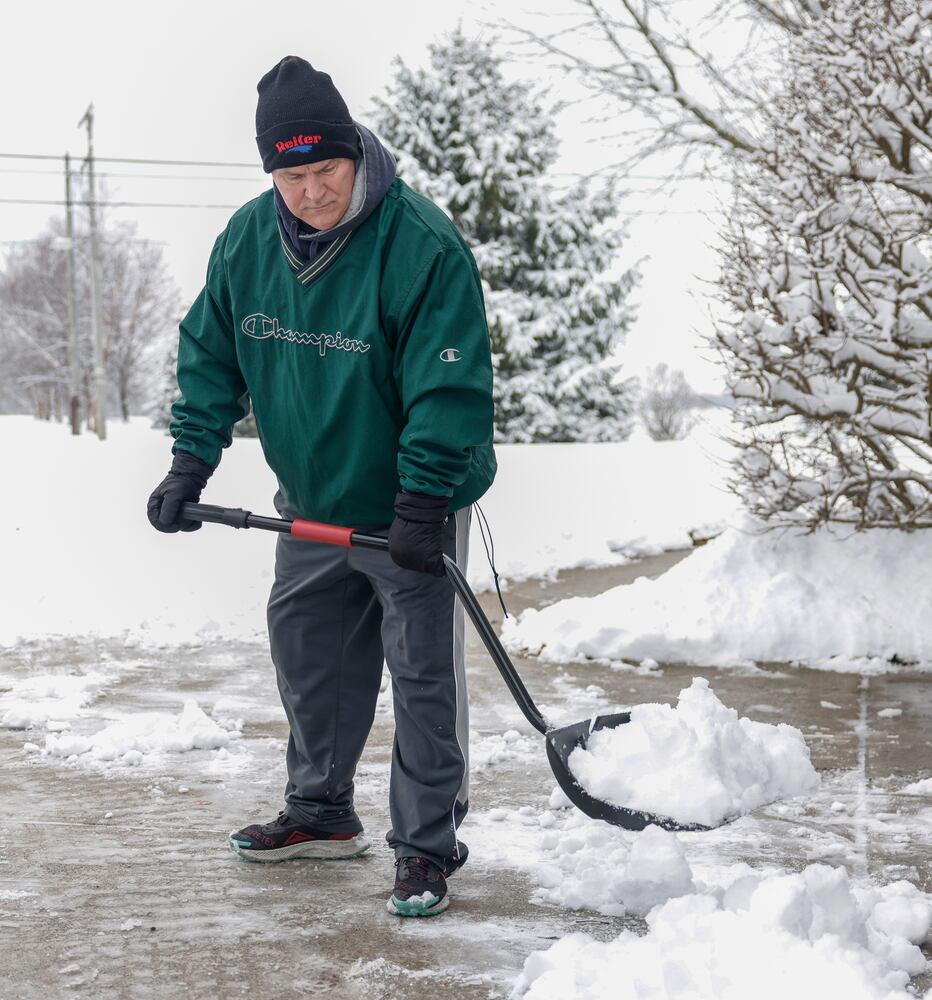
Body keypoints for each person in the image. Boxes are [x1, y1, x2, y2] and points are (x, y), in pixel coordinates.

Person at [147, 55, 496, 918]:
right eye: (291, 177)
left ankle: (426, 847)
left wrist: (424, 501)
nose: (310, 193)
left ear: (355, 154)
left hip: (410, 504)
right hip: (310, 502)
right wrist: (190, 460)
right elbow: (211, 353)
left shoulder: (420, 245)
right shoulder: (246, 240)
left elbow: (447, 387)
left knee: (422, 677)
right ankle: (321, 812)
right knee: (308, 656)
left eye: (326, 171)